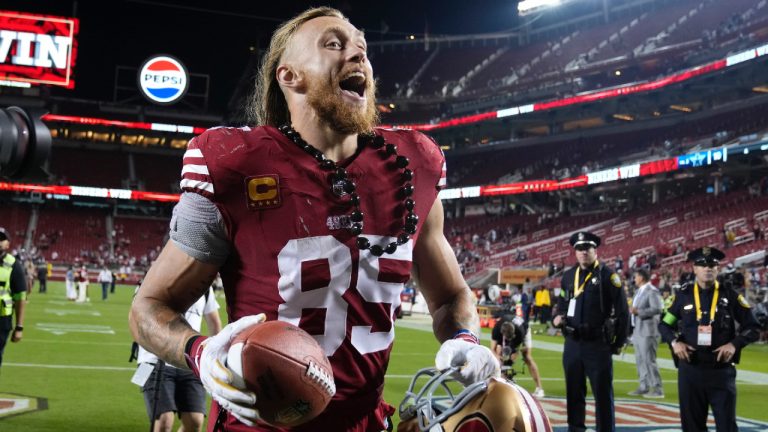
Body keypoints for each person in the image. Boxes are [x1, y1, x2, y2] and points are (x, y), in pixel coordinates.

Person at [129, 7, 499, 432]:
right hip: (256, 425)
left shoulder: (412, 166)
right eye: (334, 44)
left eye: (362, 47)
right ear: (290, 76)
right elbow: (149, 307)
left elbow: (452, 296)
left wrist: (465, 339)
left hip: (366, 423)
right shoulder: (236, 164)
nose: (358, 55)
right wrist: (199, 350)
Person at [659, 247, 760, 431]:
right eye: (703, 265)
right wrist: (675, 343)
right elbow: (665, 325)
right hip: (691, 369)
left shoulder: (730, 295)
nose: (708, 269)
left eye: (713, 265)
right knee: (692, 427)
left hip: (721, 370)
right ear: (694, 269)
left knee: (727, 426)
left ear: (718, 269)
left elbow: (753, 327)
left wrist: (734, 344)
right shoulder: (682, 296)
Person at [553, 231, 629, 432]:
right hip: (572, 344)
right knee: (573, 393)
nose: (583, 252)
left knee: (602, 395)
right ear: (575, 252)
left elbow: (623, 312)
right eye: (579, 249)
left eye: (587, 248)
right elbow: (562, 302)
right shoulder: (569, 276)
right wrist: (558, 316)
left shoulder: (608, 276)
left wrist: (618, 343)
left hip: (597, 344)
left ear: (595, 250)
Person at [135, 286, 222, 432]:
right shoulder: (152, 279)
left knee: (195, 421)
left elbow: (214, 323)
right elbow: (138, 317)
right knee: (164, 419)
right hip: (154, 360)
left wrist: (215, 357)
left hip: (188, 362)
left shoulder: (205, 287)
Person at [490, 313, 545, 398]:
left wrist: (508, 363)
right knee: (497, 357)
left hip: (524, 329)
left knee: (527, 357)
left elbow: (516, 351)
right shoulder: (497, 329)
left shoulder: (519, 332)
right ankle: (501, 383)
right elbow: (492, 349)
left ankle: (539, 388)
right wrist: (500, 360)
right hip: (508, 328)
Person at [628, 269, 664, 398]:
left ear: (642, 277)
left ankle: (658, 389)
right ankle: (644, 386)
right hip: (638, 329)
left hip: (648, 330)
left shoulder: (651, 291)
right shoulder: (639, 291)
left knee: (649, 360)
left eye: (636, 276)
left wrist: (639, 312)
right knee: (640, 360)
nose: (634, 279)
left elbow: (657, 308)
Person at [0, 227, 27, 369]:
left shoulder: (14, 265)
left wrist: (19, 327)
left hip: (1, 320)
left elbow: (20, 298)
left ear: (7, 244)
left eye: (1, 239)